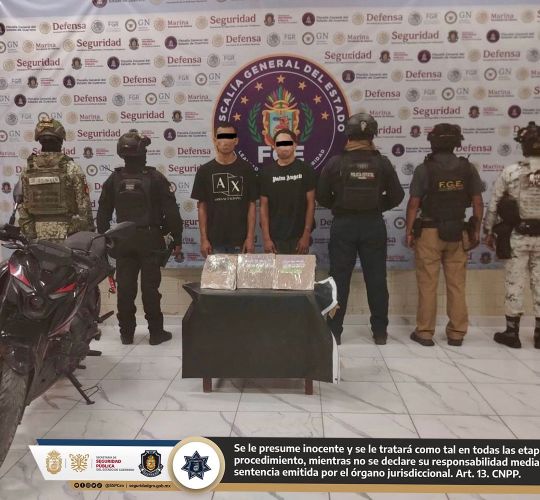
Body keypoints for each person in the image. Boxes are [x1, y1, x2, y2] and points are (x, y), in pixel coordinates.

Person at [317, 113, 404, 345]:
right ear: (372, 135)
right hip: (373, 225)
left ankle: (334, 332)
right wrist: (376, 206)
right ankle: (380, 333)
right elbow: (397, 195)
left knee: (338, 280)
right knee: (376, 280)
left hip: (343, 226)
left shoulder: (335, 163)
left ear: (348, 134)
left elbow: (322, 196)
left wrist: (340, 206)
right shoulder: (382, 163)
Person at [96, 129, 183, 345]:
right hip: (150, 239)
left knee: (125, 289)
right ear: (143, 152)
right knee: (150, 289)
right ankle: (156, 333)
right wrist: (176, 238)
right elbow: (172, 212)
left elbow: (103, 213)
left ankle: (126, 334)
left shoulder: (114, 179)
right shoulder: (155, 178)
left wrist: (105, 239)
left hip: (123, 240)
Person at [405, 123, 483, 346]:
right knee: (457, 285)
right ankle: (457, 333)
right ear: (457, 143)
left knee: (428, 284)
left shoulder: (424, 169)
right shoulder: (468, 169)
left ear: (433, 142)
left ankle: (424, 333)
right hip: (458, 232)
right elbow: (478, 203)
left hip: (429, 233)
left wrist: (409, 231)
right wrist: (476, 231)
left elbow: (413, 204)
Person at [484, 121, 540, 348]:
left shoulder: (511, 171)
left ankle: (512, 333)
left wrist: (488, 231)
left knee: (514, 282)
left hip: (518, 235)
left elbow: (494, 204)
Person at [18, 118, 94, 242]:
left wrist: (31, 233)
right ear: (60, 140)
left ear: (40, 141)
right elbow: (84, 206)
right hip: (68, 236)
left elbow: (22, 207)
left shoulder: (28, 170)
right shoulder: (72, 168)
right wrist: (89, 233)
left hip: (38, 238)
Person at [191, 122, 258, 256]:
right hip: (214, 241)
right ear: (215, 140)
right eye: (222, 137)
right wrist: (204, 239)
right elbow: (202, 207)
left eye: (229, 137)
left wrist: (250, 237)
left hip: (240, 240)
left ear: (236, 140)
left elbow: (252, 205)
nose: (225, 141)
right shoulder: (204, 171)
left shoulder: (247, 169)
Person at [260, 129, 316, 254]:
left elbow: (311, 204)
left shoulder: (306, 170)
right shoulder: (266, 173)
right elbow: (263, 207)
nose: (284, 147)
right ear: (274, 147)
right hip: (275, 239)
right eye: (280, 144)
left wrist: (306, 235)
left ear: (295, 145)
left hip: (299, 237)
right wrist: (266, 238)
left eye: (287, 143)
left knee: (300, 268)